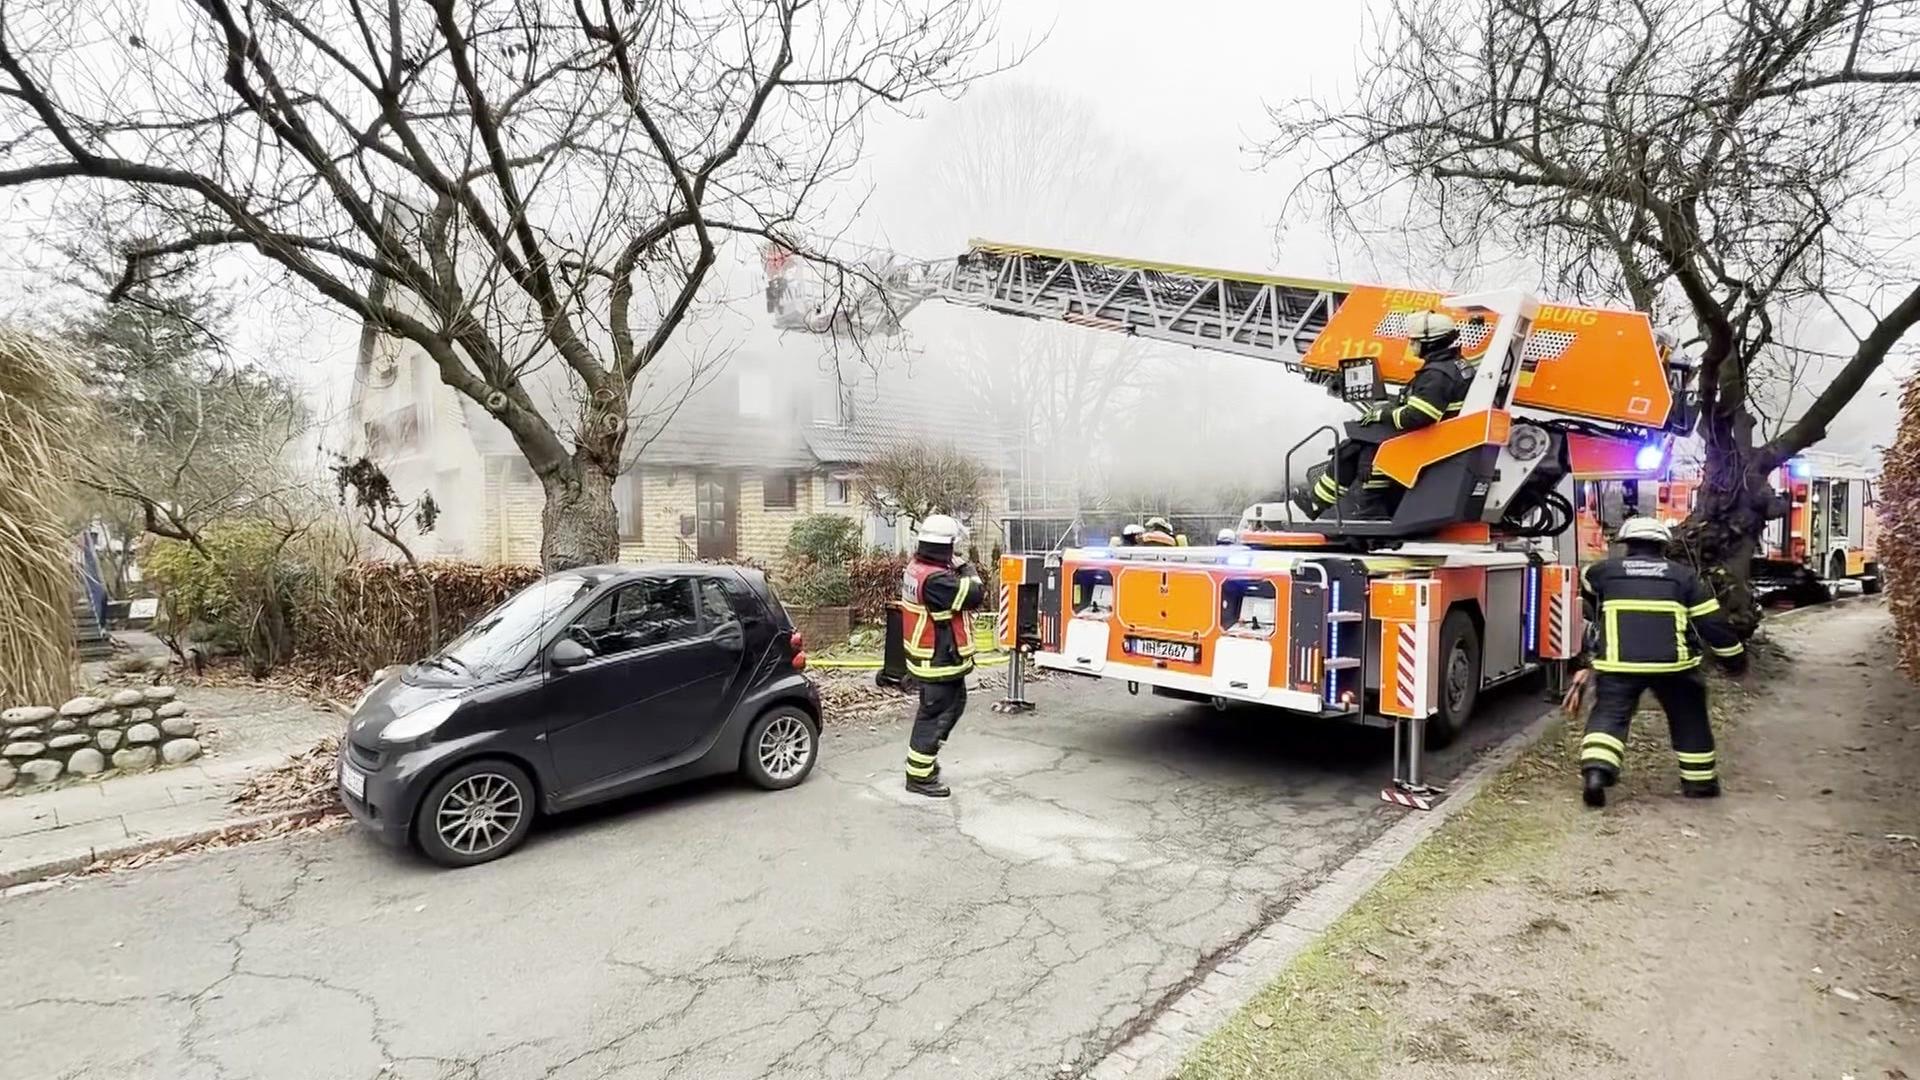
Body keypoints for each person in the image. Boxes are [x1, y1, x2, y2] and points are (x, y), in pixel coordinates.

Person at [1563, 517, 1747, 808]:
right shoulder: (1684, 577)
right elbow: (1712, 624)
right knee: (1689, 716)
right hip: (1674, 667)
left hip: (1618, 665)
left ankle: (1596, 773)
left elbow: (1584, 583)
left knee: (1610, 714)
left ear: (1626, 545)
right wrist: (1734, 658)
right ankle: (1699, 783)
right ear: (1663, 546)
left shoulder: (1604, 572)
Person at [1298, 310, 1478, 521]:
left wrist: (1382, 415)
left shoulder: (1437, 374)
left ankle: (1327, 504)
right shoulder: (1456, 365)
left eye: (1415, 341)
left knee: (1350, 450)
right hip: (1442, 440)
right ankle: (1343, 505)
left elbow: (1418, 416)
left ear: (1431, 343)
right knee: (1360, 445)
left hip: (1429, 444)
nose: (1411, 344)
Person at [900, 514, 985, 798]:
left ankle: (925, 761)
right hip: (937, 660)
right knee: (935, 714)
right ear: (948, 546)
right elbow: (974, 594)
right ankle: (919, 776)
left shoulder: (918, 568)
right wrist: (968, 568)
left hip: (936, 657)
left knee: (953, 706)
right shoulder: (936, 580)